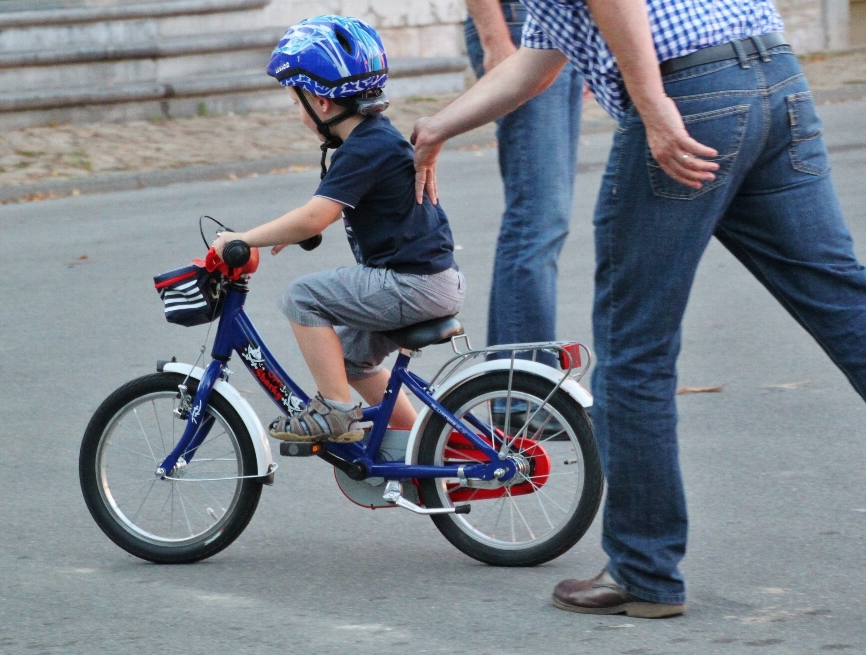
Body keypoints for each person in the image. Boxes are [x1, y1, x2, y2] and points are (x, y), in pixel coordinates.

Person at [411, 0, 866, 618]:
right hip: (774, 77)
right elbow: (537, 66)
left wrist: (651, 106)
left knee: (634, 348)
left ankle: (643, 569)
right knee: (843, 302)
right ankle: (643, 565)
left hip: (686, 92)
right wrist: (437, 127)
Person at [213, 15, 465, 443]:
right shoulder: (373, 140)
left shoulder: (364, 149)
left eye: (297, 102)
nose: (299, 112)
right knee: (350, 360)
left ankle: (334, 411)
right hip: (430, 280)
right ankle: (415, 443)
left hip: (411, 284)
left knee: (302, 297)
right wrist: (289, 233)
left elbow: (316, 216)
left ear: (321, 102)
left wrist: (243, 238)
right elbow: (324, 214)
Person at [464, 0, 582, 361]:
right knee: (538, 219)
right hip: (518, 25)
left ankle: (512, 385)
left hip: (564, 29)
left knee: (541, 220)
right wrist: (494, 38)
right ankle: (523, 390)